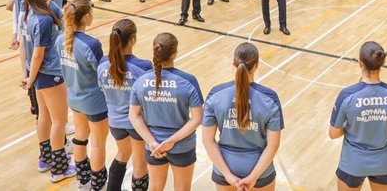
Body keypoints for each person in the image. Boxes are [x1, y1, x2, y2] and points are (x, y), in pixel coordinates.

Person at [202, 42, 284, 191]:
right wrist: (253, 177)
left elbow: (207, 140)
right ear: (257, 65)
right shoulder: (269, 98)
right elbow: (273, 145)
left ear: (233, 64)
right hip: (259, 170)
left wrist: (228, 176)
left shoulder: (215, 94)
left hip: (224, 167)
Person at [329, 41, 387, 191]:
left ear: (360, 63)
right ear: (383, 63)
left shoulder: (347, 96)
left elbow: (333, 133)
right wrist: (384, 125)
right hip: (384, 163)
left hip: (352, 163)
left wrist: (353, 126)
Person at [130, 33, 204, 191]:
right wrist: (172, 141)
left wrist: (151, 141)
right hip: (182, 145)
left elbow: (134, 115)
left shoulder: (141, 81)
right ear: (175, 53)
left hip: (154, 146)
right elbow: (197, 118)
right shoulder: (188, 81)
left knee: (155, 188)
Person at [22, 0, 75, 182]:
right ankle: (59, 168)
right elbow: (38, 53)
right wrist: (30, 80)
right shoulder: (43, 20)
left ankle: (45, 159)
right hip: (49, 74)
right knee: (59, 121)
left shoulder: (39, 9)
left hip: (40, 75)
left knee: (44, 115)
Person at [56, 0, 109, 190]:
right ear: (86, 16)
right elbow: (101, 74)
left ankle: (83, 177)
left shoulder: (60, 39)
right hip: (95, 102)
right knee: (98, 144)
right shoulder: (91, 44)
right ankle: (98, 182)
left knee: (80, 137)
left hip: (75, 98)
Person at [98, 19, 152, 191]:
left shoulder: (102, 65)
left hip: (114, 121)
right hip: (136, 123)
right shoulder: (143, 66)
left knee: (122, 154)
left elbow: (102, 89)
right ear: (132, 40)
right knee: (139, 162)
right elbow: (148, 96)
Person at [11, 0, 44, 118]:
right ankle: (37, 106)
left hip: (26, 26)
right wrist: (16, 33)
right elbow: (16, 9)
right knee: (33, 65)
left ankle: (37, 104)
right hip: (29, 27)